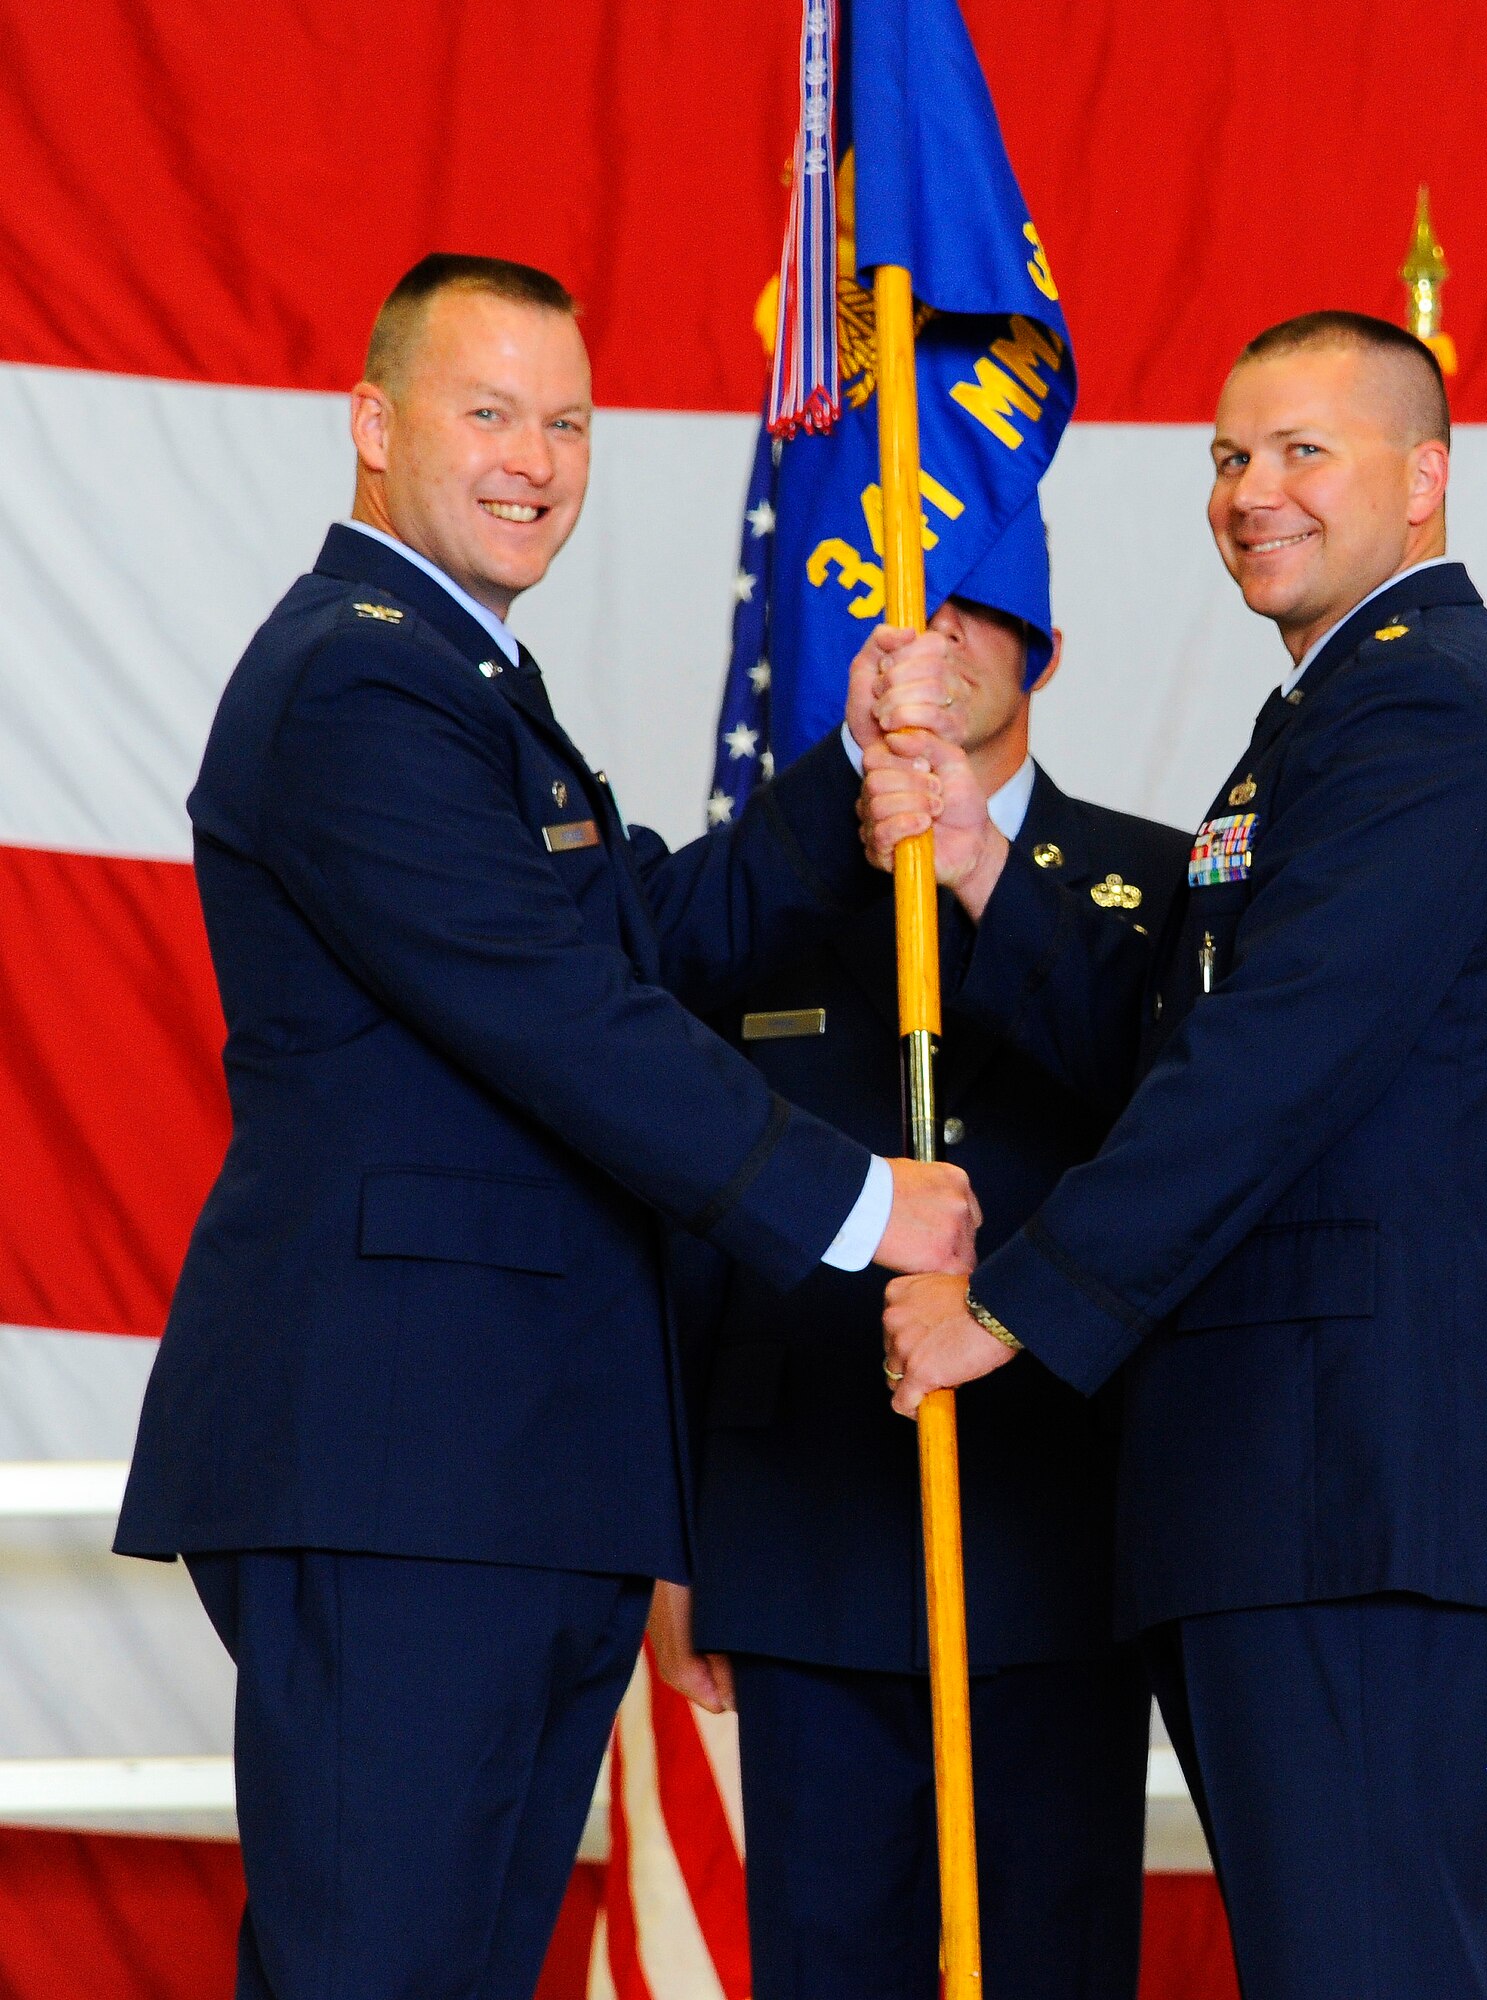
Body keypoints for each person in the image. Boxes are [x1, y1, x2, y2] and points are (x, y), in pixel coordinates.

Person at [113, 253, 979, 2000]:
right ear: (373, 427)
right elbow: (557, 1014)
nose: (536, 456)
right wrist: (854, 1206)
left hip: (504, 1469)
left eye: (568, 420)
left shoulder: (464, 678)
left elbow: (630, 937)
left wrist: (840, 793)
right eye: (489, 410)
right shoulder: (358, 684)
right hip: (404, 1463)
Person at [866, 311, 1487, 2000]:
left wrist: (1015, 1306)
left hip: (1354, 1479)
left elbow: (1276, 1065)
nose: (1250, 491)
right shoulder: (1332, 715)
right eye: (1224, 456)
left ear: (1424, 480)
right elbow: (1193, 1018)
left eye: (1299, 451)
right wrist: (985, 869)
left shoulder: (1425, 715)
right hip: (1286, 1480)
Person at [649, 511, 1188, 2000]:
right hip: (806, 1532)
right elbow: (689, 1228)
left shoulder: (1155, 891)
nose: (931, 638)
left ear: (1048, 653)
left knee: (1052, 1963)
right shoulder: (763, 890)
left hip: (1056, 1539)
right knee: (829, 1966)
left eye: (976, 614)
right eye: (901, 608)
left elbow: (1185, 1151)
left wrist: (975, 886)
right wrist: (681, 1537)